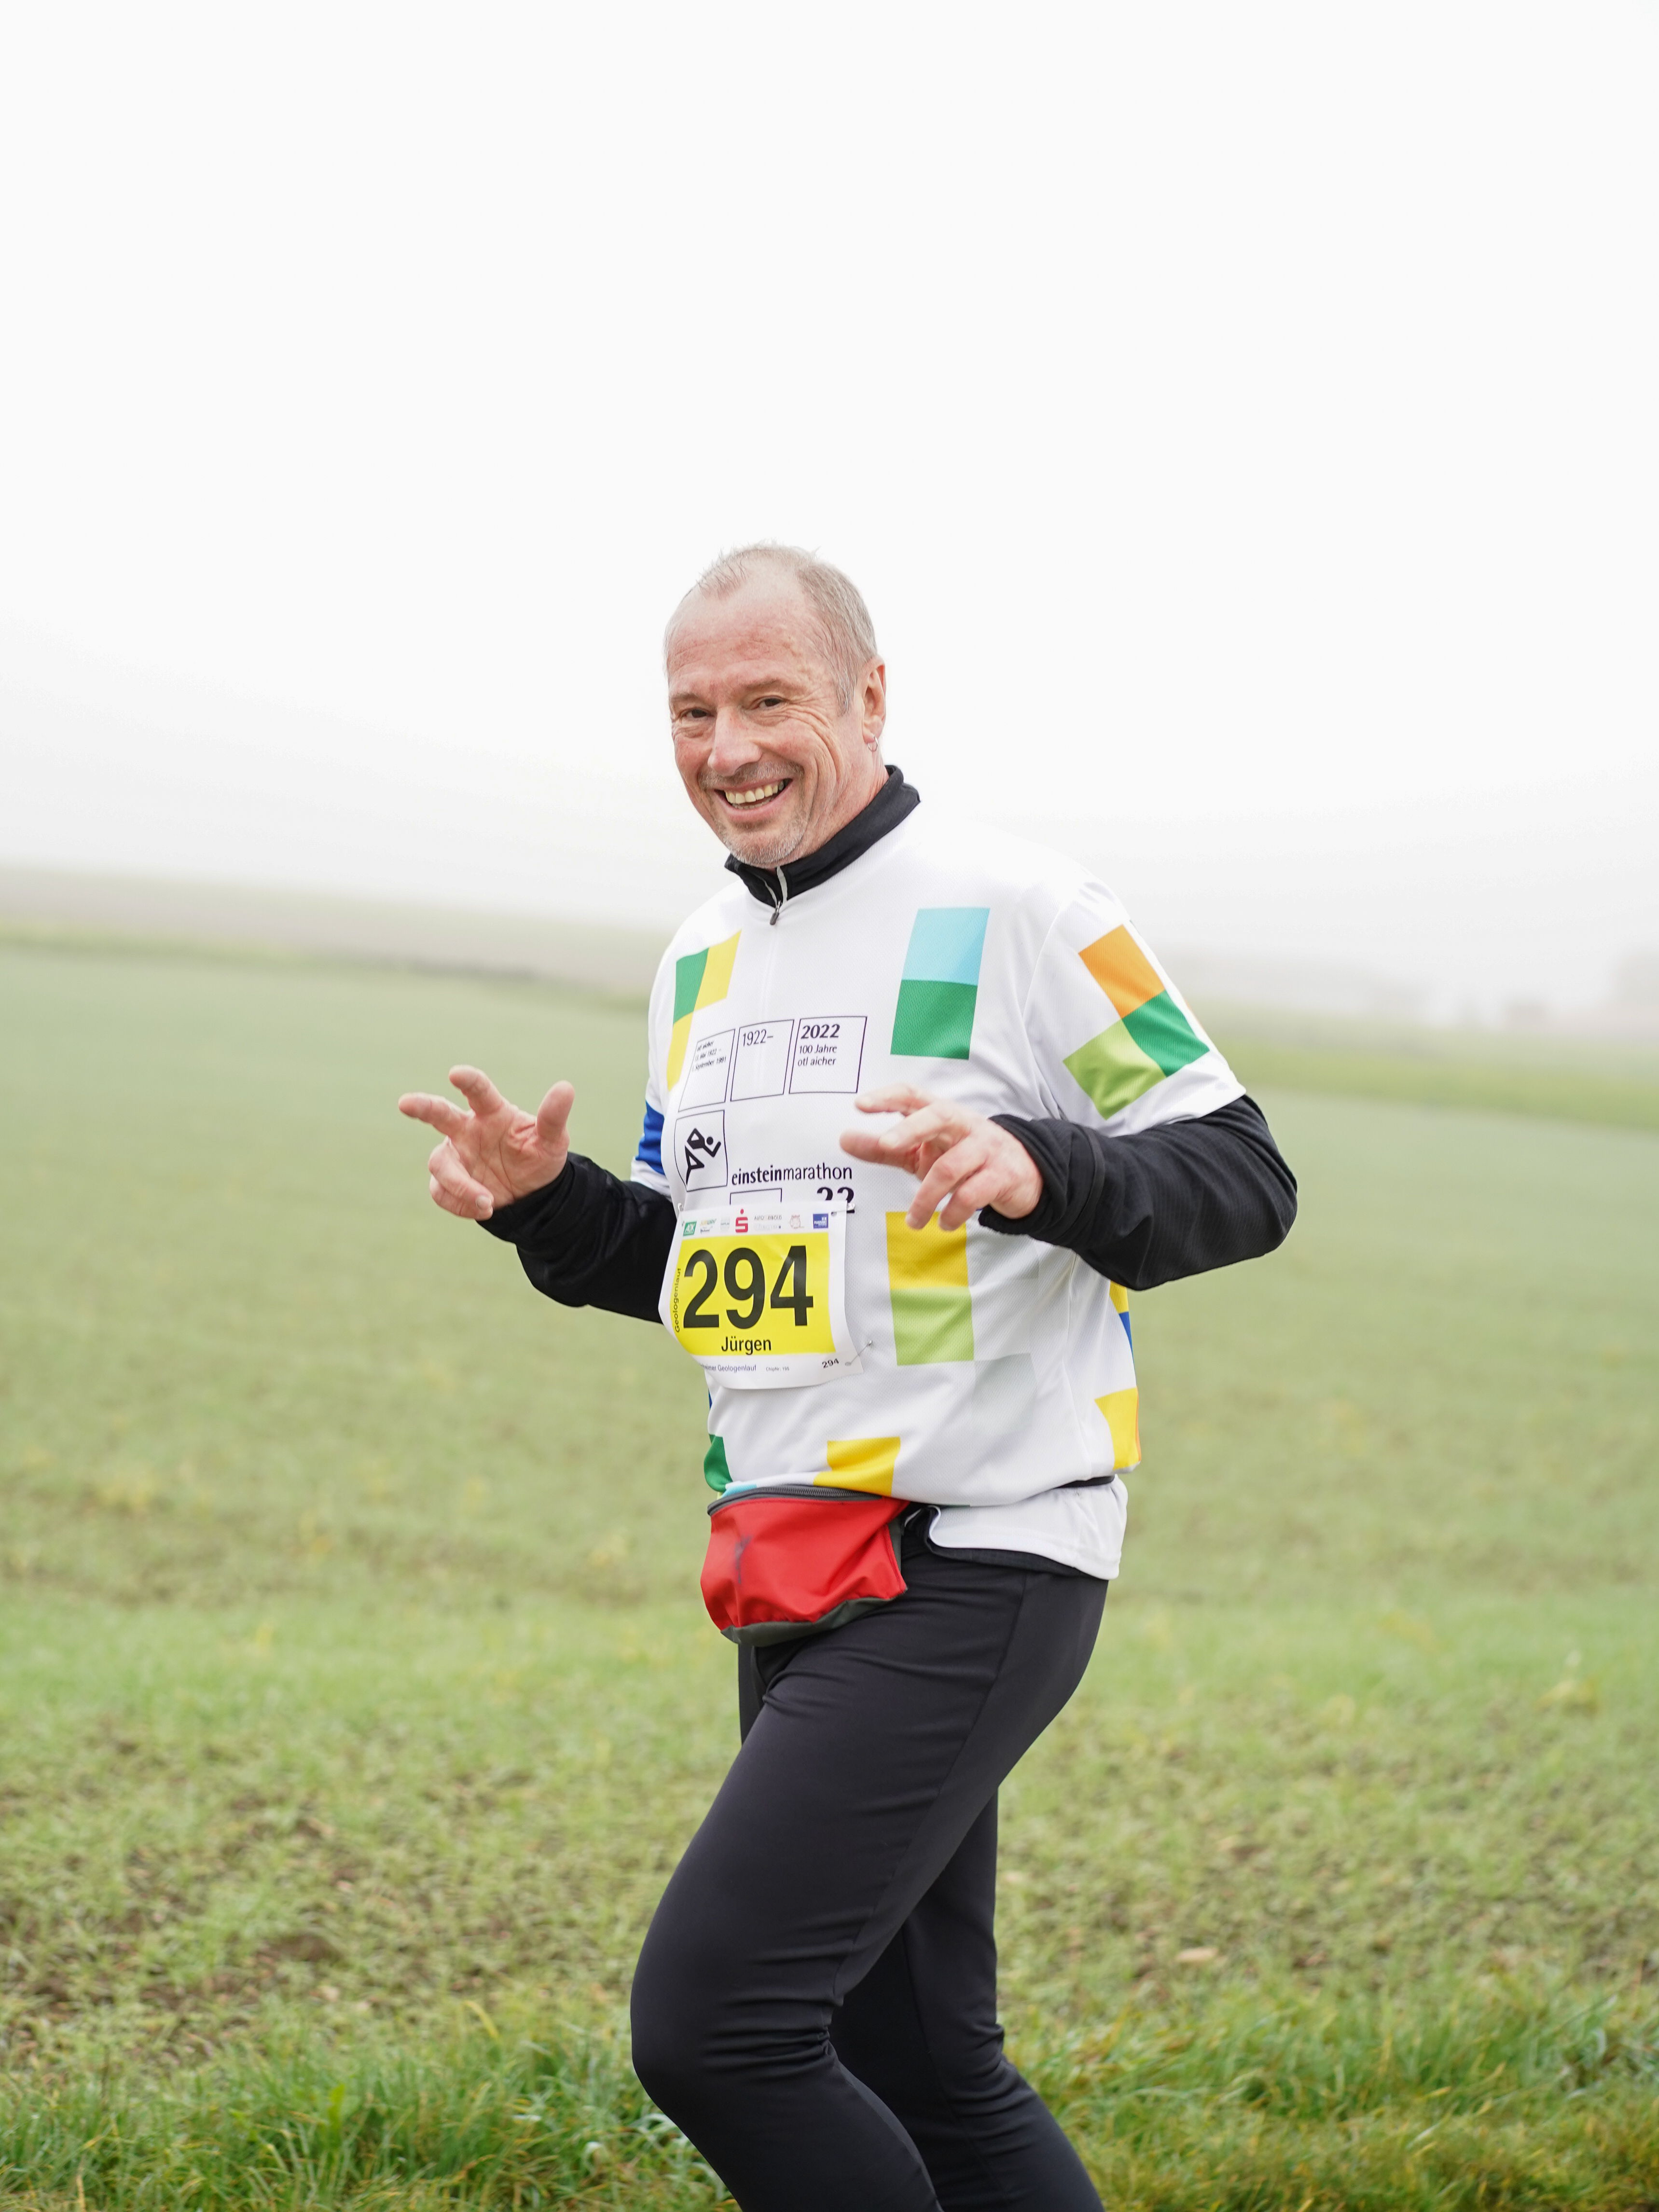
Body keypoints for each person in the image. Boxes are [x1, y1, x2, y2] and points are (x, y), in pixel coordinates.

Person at [398, 545, 1297, 2212]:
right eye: (692, 713)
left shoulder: (1027, 910)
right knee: (920, 2068)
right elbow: (704, 1270)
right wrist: (549, 1208)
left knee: (718, 2030)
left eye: (769, 701)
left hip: (978, 1549)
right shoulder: (698, 961)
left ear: (869, 697)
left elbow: (1245, 1176)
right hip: (790, 1557)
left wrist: (1039, 1164)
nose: (728, 749)